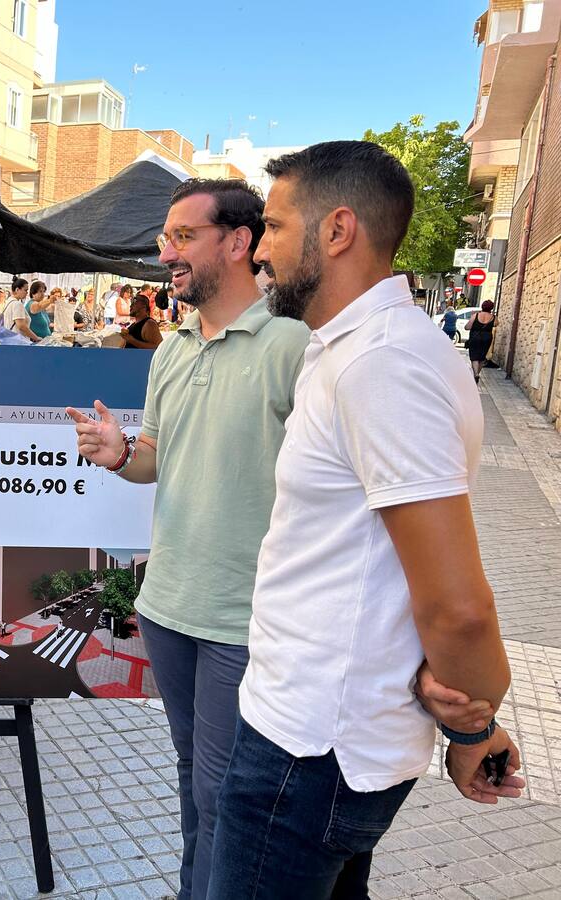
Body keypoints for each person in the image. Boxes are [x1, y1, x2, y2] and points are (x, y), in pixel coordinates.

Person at [209, 142, 523, 898]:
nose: (259, 250)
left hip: (309, 750)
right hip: (319, 739)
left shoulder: (381, 362)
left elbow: (458, 604)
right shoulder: (360, 348)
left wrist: (476, 726)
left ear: (337, 230)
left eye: (276, 227)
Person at [66, 178, 309, 900]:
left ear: (239, 242)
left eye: (182, 237)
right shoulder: (172, 348)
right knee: (192, 779)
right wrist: (118, 454)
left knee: (223, 792)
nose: (164, 251)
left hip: (245, 619)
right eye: (164, 237)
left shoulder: (292, 343)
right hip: (167, 606)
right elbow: (154, 458)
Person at [0, 277, 40, 344]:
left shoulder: (8, 302)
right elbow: (21, 326)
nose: (27, 293)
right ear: (17, 289)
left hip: (9, 341)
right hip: (18, 343)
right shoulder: (17, 304)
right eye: (25, 290)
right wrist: (36, 338)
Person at [467, 300, 496, 383]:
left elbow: (467, 327)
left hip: (475, 337)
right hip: (487, 338)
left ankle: (476, 374)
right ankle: (477, 373)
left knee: (474, 356)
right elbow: (496, 324)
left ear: (482, 306)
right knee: (482, 357)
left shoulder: (476, 315)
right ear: (491, 308)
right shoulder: (493, 317)